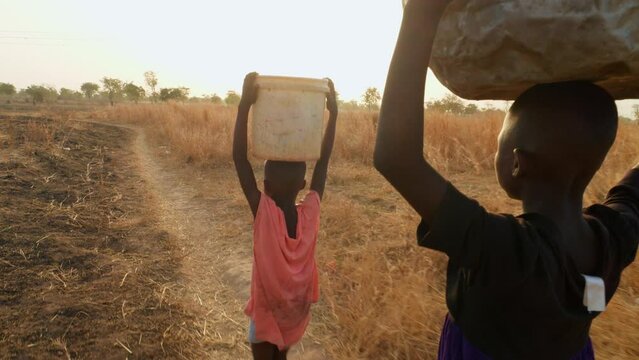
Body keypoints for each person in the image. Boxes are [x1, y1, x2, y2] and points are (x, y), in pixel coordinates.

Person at [373, 1, 639, 359]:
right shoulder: (615, 237)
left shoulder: (505, 251)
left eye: (500, 145)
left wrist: (421, 14)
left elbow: (396, 158)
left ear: (517, 164)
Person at [233, 72, 338, 360]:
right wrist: (334, 114)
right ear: (302, 186)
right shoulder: (310, 214)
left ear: (265, 187)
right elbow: (323, 163)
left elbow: (240, 159)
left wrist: (245, 105)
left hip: (267, 314)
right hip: (293, 313)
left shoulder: (264, 213)